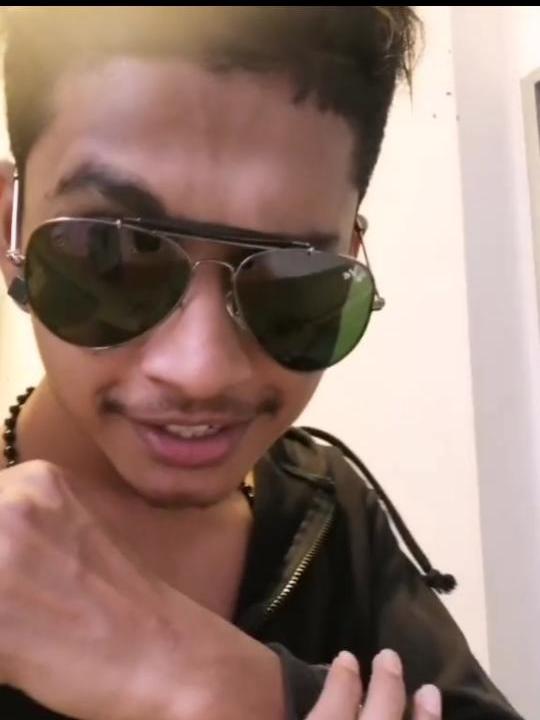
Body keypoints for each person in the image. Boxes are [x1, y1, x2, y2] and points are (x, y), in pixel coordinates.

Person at [0, 6, 524, 720]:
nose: (202, 371)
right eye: (113, 258)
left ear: (351, 257)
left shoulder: (329, 512)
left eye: (291, 277)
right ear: (10, 227)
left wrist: (210, 681)